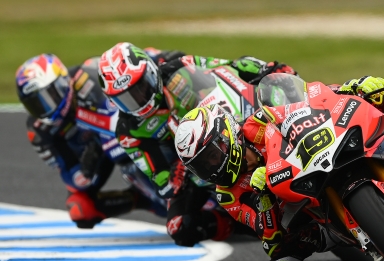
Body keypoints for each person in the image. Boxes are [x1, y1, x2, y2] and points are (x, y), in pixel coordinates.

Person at [173, 75, 384, 261]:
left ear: (227, 134)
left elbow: (301, 107)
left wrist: (347, 89)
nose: (213, 166)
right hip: (300, 204)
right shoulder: (228, 193)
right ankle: (360, 237)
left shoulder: (254, 125)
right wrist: (264, 198)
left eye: (213, 155)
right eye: (204, 165)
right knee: (282, 251)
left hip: (318, 156)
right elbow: (265, 234)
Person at [97, 42, 298, 246]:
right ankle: (241, 224)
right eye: (126, 98)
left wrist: (267, 69)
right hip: (195, 168)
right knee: (180, 226)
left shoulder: (181, 67)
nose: (138, 99)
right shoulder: (127, 131)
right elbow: (159, 178)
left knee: (279, 99)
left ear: (151, 72)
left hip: (226, 129)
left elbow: (233, 66)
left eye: (140, 87)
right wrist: (174, 176)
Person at [15, 48, 185, 228]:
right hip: (97, 158)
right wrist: (86, 169)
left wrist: (161, 57)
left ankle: (181, 156)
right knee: (79, 208)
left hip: (126, 131)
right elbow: (72, 179)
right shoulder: (39, 130)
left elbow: (128, 66)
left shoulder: (88, 74)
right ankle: (142, 199)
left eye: (48, 96)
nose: (44, 108)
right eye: (35, 104)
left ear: (63, 83)